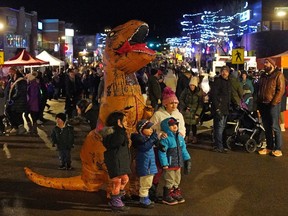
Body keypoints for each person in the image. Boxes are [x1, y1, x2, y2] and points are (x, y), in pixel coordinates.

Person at [148, 86, 185, 201]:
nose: (174, 105)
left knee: (174, 170)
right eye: (171, 103)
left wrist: (181, 135)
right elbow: (151, 129)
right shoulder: (158, 115)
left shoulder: (179, 115)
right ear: (165, 104)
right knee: (158, 169)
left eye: (175, 103)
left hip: (174, 148)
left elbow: (182, 128)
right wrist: (160, 134)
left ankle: (171, 191)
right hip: (161, 147)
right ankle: (152, 192)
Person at [101, 111, 131, 211]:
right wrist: (120, 129)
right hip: (115, 161)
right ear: (118, 122)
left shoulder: (118, 132)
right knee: (117, 181)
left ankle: (118, 195)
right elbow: (116, 142)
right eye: (124, 121)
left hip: (120, 161)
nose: (126, 123)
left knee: (125, 179)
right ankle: (115, 201)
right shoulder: (115, 134)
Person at [158, 117, 191, 205]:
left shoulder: (179, 137)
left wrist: (187, 159)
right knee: (170, 179)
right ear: (166, 127)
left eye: (175, 124)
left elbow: (183, 149)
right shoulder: (166, 139)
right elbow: (162, 152)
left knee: (177, 179)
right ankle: (166, 195)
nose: (174, 126)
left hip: (178, 163)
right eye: (171, 125)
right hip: (170, 164)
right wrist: (164, 163)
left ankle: (175, 192)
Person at [257, 58, 285, 157]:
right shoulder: (263, 75)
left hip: (273, 104)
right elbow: (259, 88)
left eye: (266, 63)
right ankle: (269, 147)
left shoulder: (278, 75)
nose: (265, 65)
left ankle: (278, 148)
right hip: (263, 104)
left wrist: (274, 103)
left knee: (275, 126)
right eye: (264, 63)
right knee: (267, 126)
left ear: (272, 64)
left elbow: (280, 90)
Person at [131, 119, 160, 208]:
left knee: (148, 182)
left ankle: (145, 197)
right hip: (145, 165)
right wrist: (152, 140)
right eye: (148, 128)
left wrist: (156, 140)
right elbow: (145, 147)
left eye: (151, 129)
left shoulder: (147, 139)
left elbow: (154, 145)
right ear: (141, 129)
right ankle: (143, 198)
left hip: (149, 165)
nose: (151, 130)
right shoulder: (140, 139)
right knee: (145, 183)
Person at [210, 66, 232, 153]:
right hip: (219, 108)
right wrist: (217, 108)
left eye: (226, 71)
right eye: (223, 71)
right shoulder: (218, 81)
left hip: (225, 107)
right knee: (219, 127)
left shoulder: (228, 82)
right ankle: (219, 146)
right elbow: (214, 96)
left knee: (220, 127)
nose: (224, 73)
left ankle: (218, 144)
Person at [179, 76, 203, 144]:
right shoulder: (186, 91)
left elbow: (200, 104)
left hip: (194, 111)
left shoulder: (199, 92)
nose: (191, 87)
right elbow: (181, 99)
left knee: (194, 125)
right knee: (186, 124)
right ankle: (186, 137)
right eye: (190, 85)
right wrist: (185, 107)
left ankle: (194, 137)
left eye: (193, 85)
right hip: (187, 110)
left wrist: (197, 113)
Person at [5, 67, 27, 135]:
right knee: (9, 112)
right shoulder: (12, 79)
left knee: (16, 114)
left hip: (18, 101)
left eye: (10, 71)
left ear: (14, 71)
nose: (9, 73)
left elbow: (19, 92)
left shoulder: (20, 80)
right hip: (14, 101)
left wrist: (12, 99)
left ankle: (20, 128)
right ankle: (15, 127)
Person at [24, 71, 41, 136]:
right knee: (32, 117)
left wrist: (29, 103)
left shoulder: (33, 85)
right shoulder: (33, 84)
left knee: (30, 116)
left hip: (32, 104)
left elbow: (33, 95)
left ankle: (32, 129)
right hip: (33, 104)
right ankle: (33, 130)